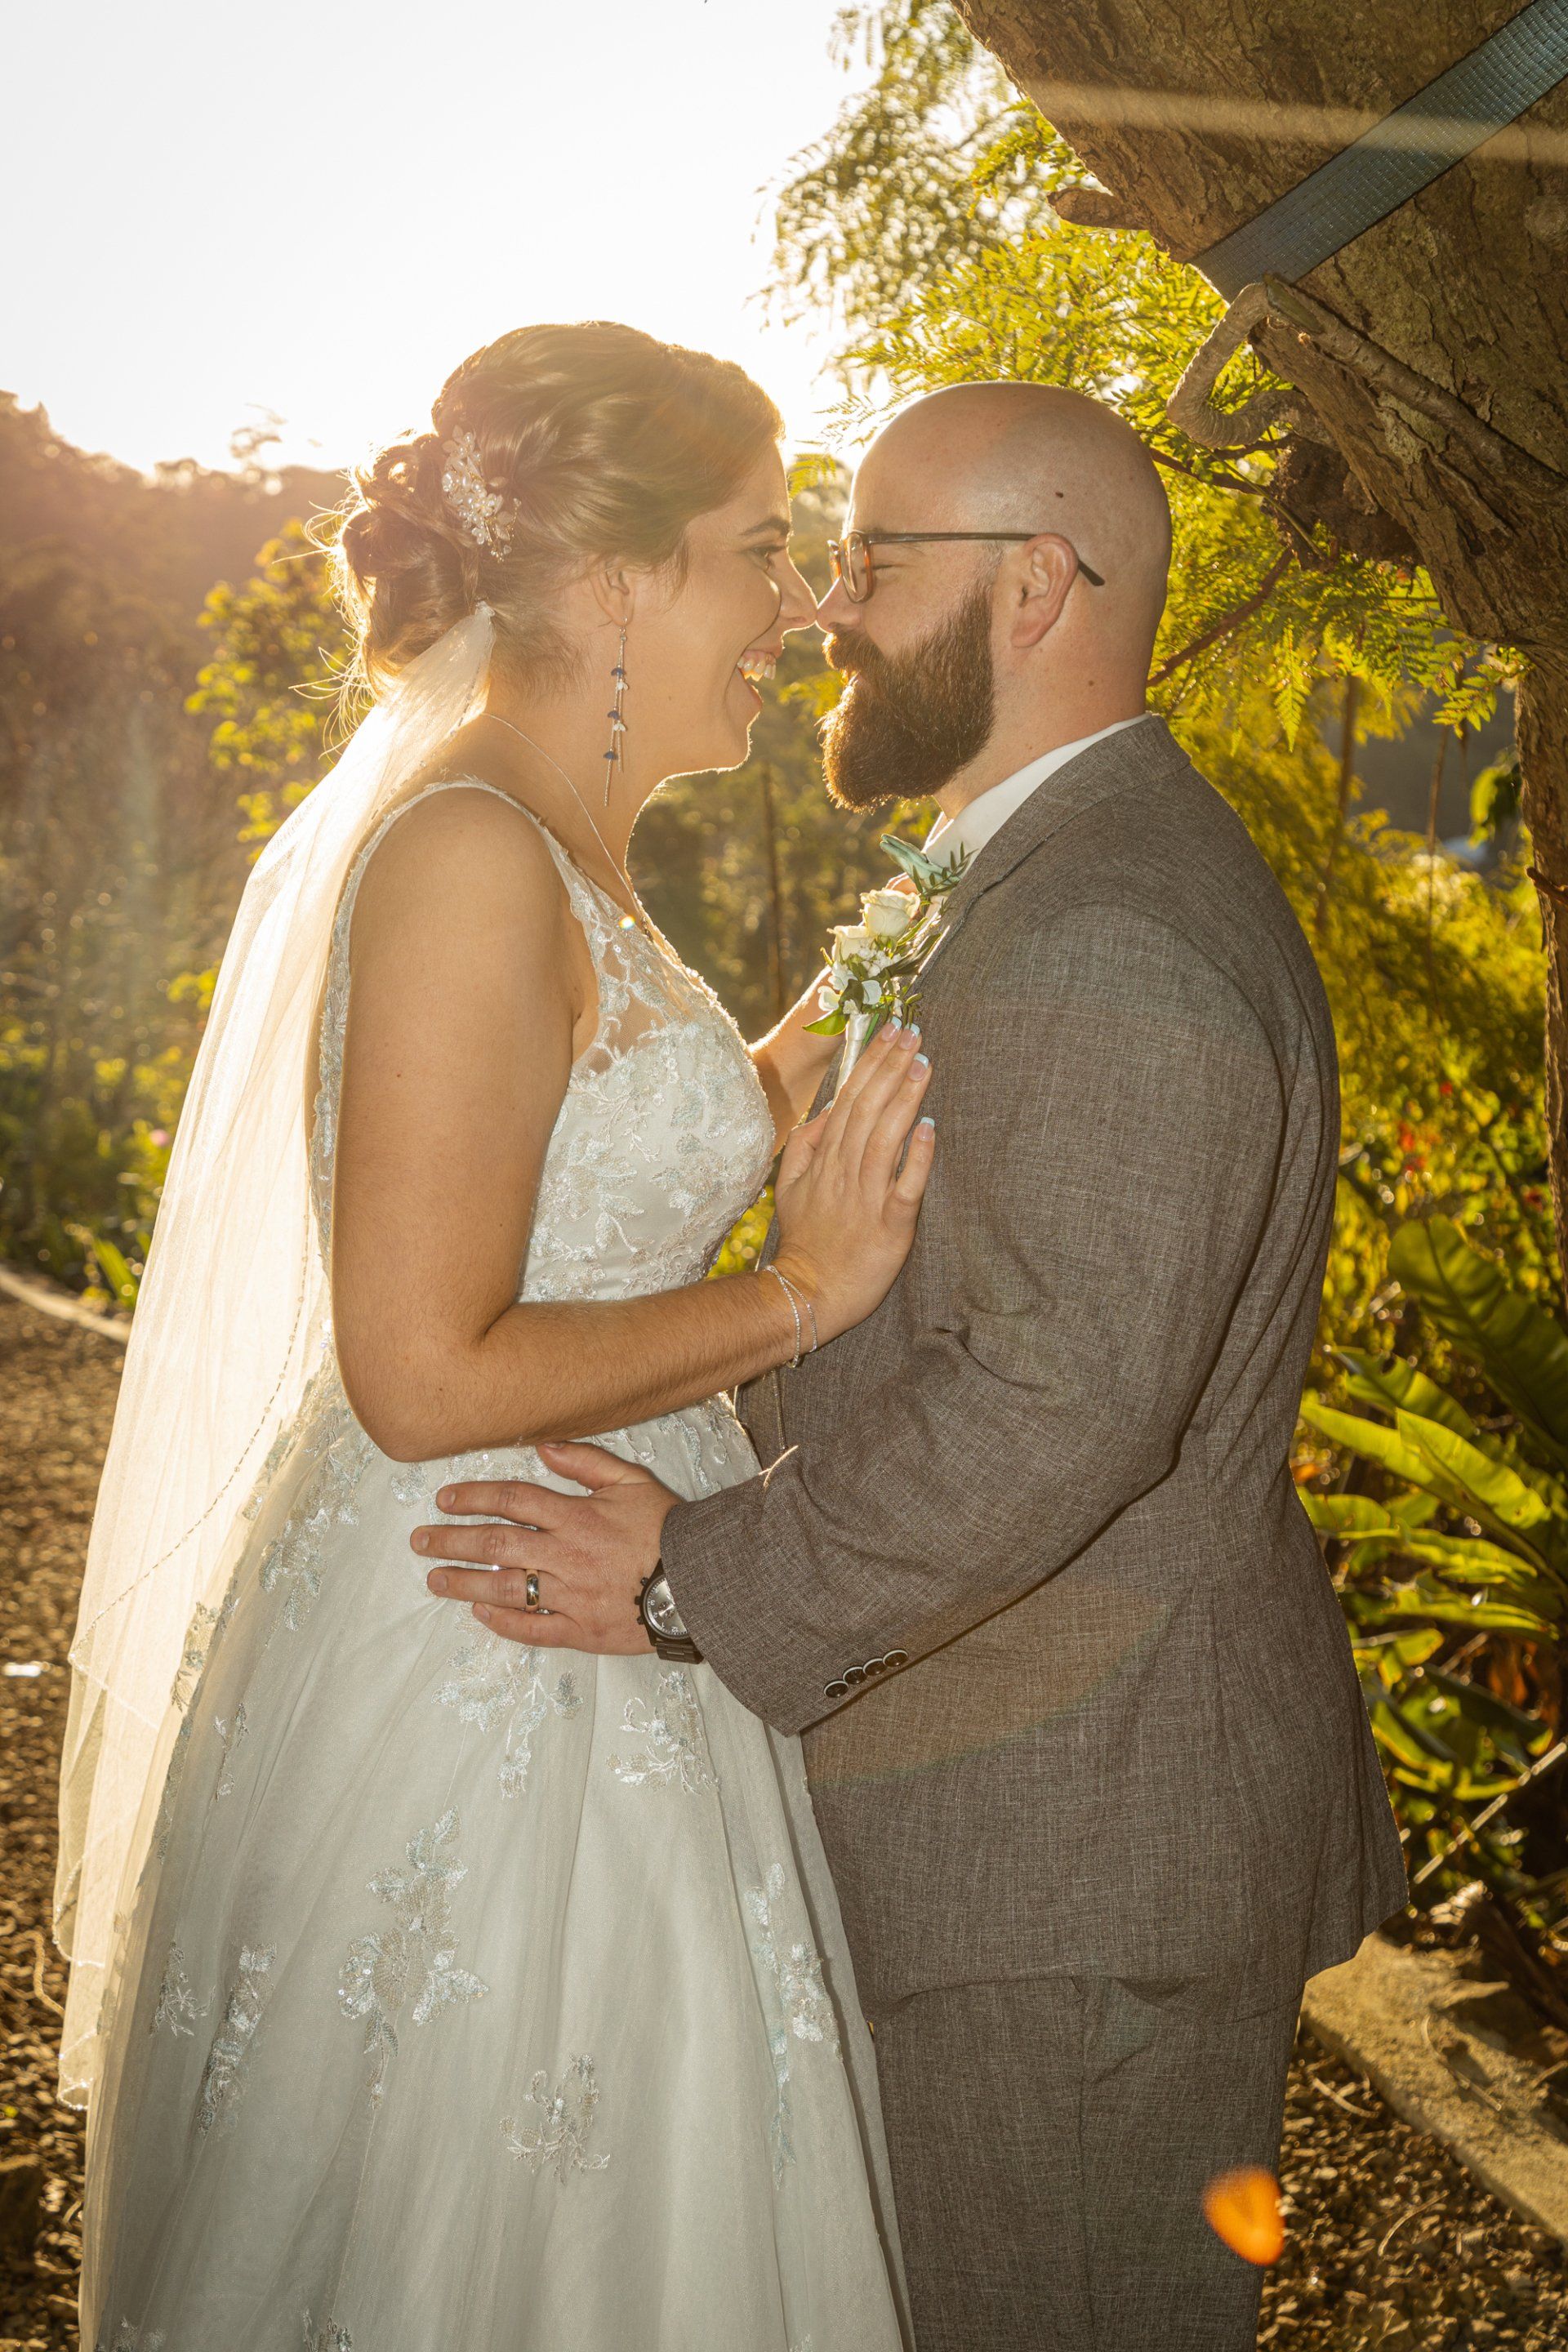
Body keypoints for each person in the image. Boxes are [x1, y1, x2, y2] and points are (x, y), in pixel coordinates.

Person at [420, 381, 1409, 2352]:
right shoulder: (1014, 873)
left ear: (1035, 586)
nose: (825, 608)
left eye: (873, 560)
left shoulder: (1113, 927)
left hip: (1067, 1858)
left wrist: (693, 1576)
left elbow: (1062, 1404)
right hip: (1007, 1814)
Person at [61, 323, 930, 2351]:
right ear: (618, 578)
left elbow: (601, 1167)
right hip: (486, 1611)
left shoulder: (554, 839)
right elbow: (421, 1369)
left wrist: (866, 988)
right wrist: (801, 1295)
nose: (798, 608)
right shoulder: (469, 851)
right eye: (763, 548)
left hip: (603, 1568)